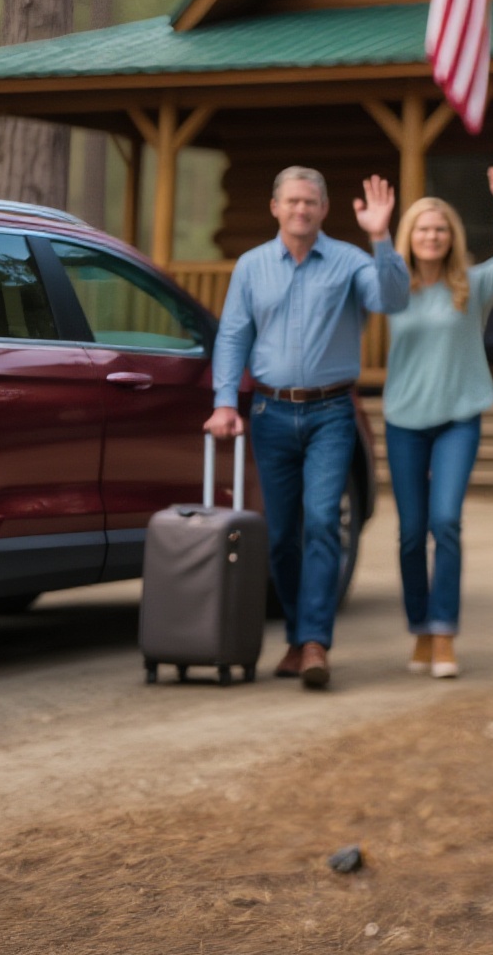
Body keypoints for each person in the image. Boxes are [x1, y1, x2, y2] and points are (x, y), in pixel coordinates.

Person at [205, 165, 406, 688]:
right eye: (292, 201)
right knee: (280, 536)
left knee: (321, 522)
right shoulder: (251, 266)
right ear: (275, 207)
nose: (301, 209)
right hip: (269, 414)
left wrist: (382, 237)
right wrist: (225, 402)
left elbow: (392, 300)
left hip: (331, 413)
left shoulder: (350, 261)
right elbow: (233, 337)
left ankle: (315, 641)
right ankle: (297, 637)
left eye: (310, 202)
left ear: (324, 209)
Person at [379, 145, 493, 679]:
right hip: (403, 420)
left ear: (451, 237)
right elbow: (375, 275)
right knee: (409, 532)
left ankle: (444, 632)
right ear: (410, 236)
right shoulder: (392, 288)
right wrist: (378, 235)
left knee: (444, 522)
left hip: (458, 419)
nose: (432, 236)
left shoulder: (472, 285)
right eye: (423, 229)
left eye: (440, 229)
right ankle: (420, 628)